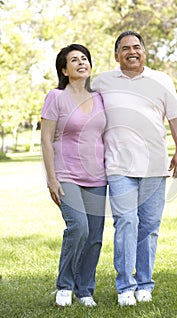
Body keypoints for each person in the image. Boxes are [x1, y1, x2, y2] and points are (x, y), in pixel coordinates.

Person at [91, 31, 177, 306]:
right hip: (118, 166)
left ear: (144, 51)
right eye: (125, 48)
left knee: (150, 227)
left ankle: (144, 284)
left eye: (136, 47)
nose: (132, 51)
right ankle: (125, 287)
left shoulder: (161, 80)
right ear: (116, 55)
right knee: (126, 223)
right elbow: (81, 108)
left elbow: (176, 117)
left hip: (155, 166)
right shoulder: (102, 82)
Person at [41, 44, 107, 307]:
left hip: (98, 176)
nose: (81, 63)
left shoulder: (101, 97)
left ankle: (85, 289)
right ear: (64, 70)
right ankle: (65, 286)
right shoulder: (56, 97)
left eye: (85, 58)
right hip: (66, 173)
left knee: (95, 236)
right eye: (74, 60)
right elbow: (46, 140)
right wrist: (52, 179)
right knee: (78, 227)